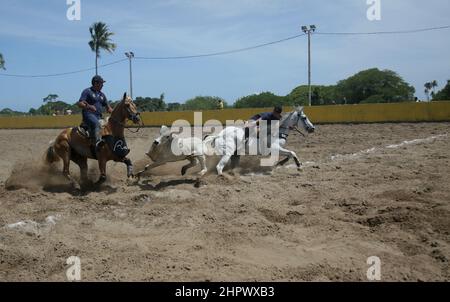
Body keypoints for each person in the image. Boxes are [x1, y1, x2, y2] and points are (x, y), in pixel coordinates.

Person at [77, 75, 113, 148]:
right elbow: (80, 103)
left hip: (99, 116)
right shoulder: (87, 91)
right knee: (97, 123)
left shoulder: (102, 95)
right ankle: (98, 142)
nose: (103, 85)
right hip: (88, 115)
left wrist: (118, 112)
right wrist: (89, 107)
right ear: (96, 83)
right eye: (101, 83)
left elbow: (109, 108)